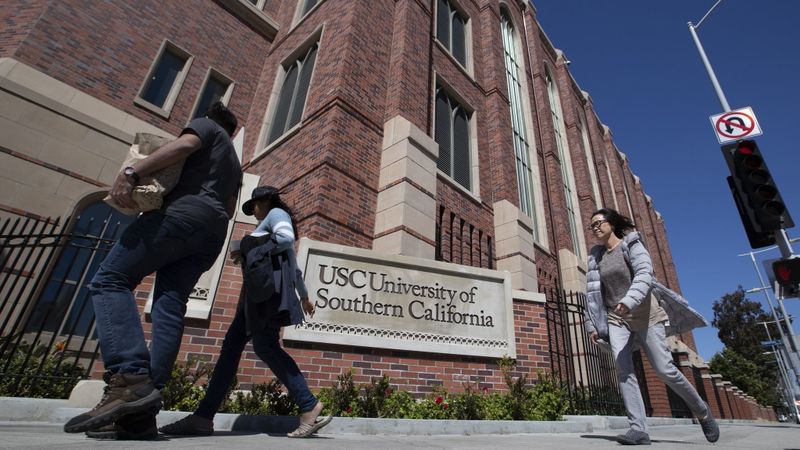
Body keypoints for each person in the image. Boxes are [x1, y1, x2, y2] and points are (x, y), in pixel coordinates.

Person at [64, 102, 242, 438]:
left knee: (110, 280)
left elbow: (185, 145)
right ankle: (141, 414)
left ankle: (129, 378)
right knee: (169, 307)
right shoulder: (234, 161)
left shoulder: (204, 127)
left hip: (178, 217)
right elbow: (231, 208)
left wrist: (133, 172)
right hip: (211, 234)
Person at [158, 186, 332, 438]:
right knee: (235, 347)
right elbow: (293, 269)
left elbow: (285, 238)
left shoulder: (275, 215)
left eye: (255, 207)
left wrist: (252, 247)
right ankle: (203, 417)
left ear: (266, 201)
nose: (255, 213)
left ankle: (308, 405)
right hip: (256, 298)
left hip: (263, 298)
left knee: (263, 347)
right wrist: (304, 296)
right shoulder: (270, 222)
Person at [583, 208, 719, 446]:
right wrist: (592, 325)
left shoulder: (631, 244)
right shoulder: (596, 258)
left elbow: (645, 274)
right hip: (617, 318)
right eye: (591, 225)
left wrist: (629, 301)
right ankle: (638, 429)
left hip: (645, 313)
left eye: (599, 223)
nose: (595, 228)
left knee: (664, 370)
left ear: (612, 224)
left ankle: (702, 411)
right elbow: (593, 295)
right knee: (624, 371)